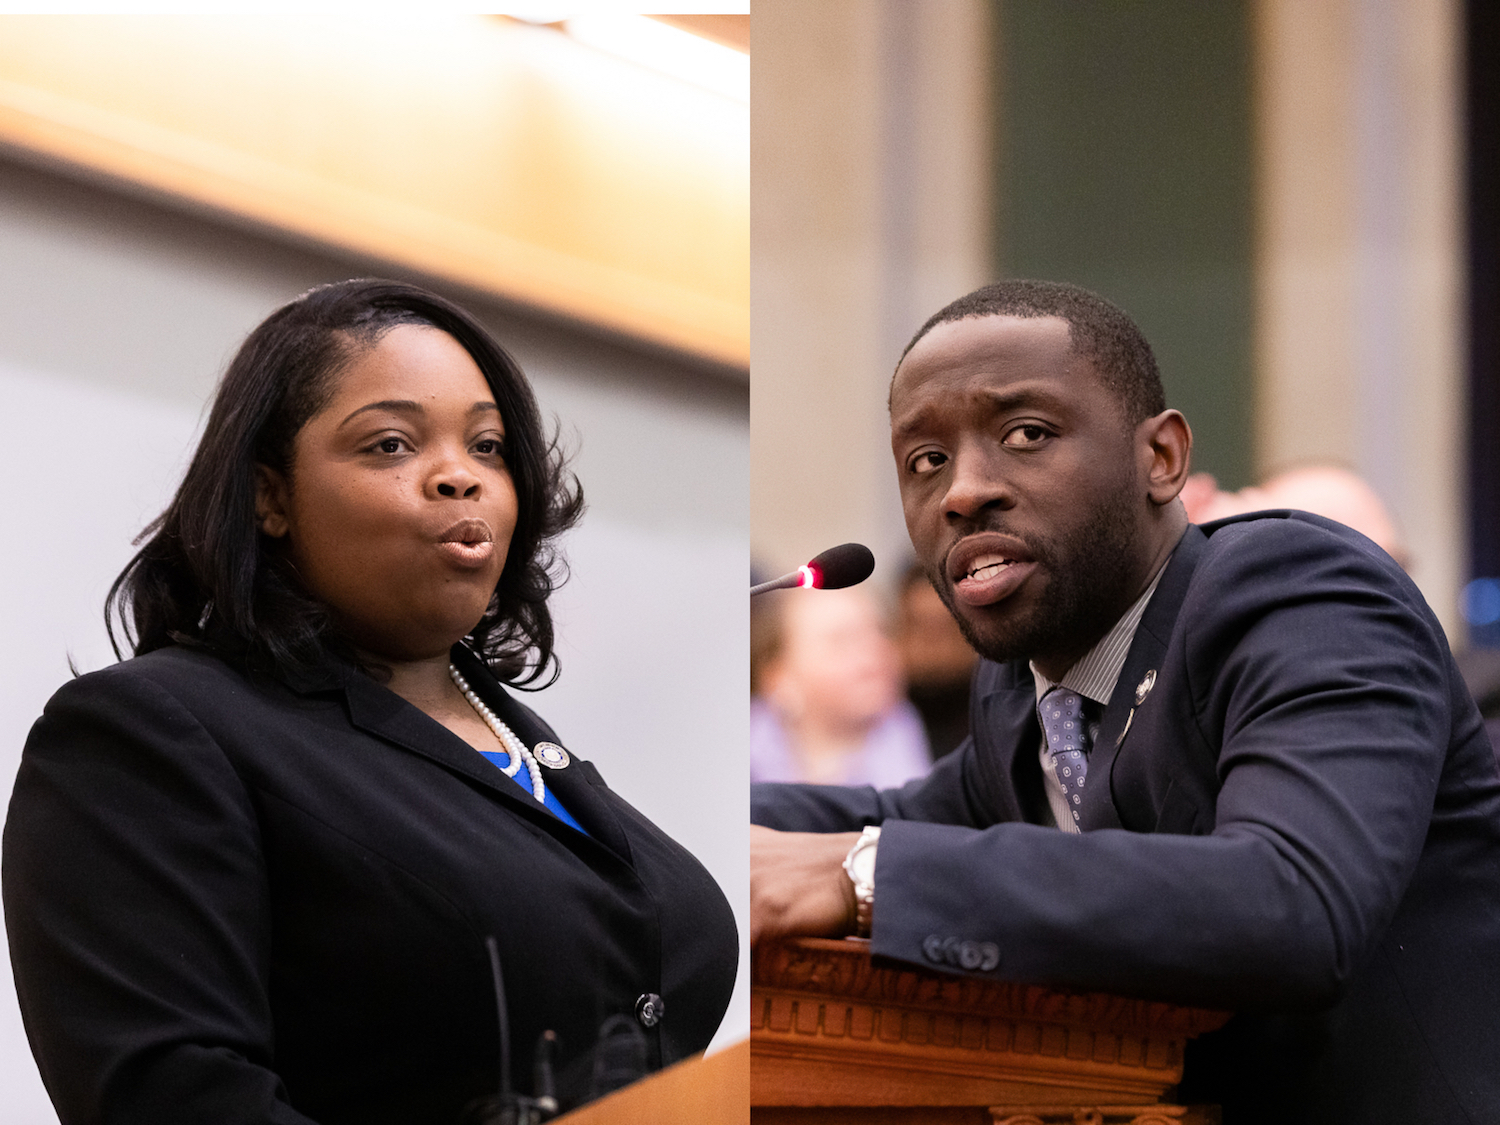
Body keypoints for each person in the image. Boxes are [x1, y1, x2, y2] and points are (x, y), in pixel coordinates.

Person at [749, 280, 1500, 1124]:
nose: (962, 491)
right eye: (926, 461)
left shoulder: (1302, 595)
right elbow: (902, 814)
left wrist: (860, 875)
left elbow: (1290, 898)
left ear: (1162, 457)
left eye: (1025, 433)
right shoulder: (1019, 691)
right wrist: (670, 822)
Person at [4, 279, 738, 1125]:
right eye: (391, 445)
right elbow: (173, 1097)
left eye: (489, 446)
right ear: (269, 496)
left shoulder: (524, 746)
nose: (459, 475)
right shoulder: (150, 733)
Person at [750, 587, 930, 787]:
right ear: (780, 678)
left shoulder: (911, 742)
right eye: (841, 640)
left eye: (880, 631)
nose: (873, 650)